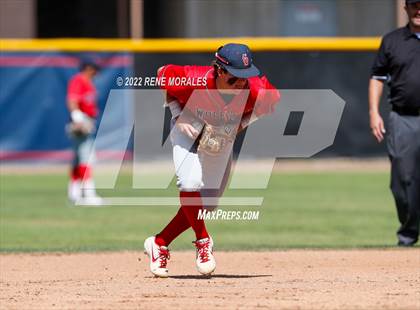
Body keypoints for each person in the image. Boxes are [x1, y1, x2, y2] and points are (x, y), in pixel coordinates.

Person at [144, 43, 280, 277]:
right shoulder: (192, 78)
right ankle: (203, 242)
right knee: (190, 183)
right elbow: (161, 73)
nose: (240, 83)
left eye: (244, 77)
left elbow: (268, 105)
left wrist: (239, 125)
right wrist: (178, 115)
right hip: (187, 125)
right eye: (234, 77)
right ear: (219, 70)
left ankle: (159, 242)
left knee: (206, 205)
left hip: (220, 134)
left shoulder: (256, 89)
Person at [369, 0, 420, 246]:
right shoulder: (392, 41)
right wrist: (373, 112)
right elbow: (377, 77)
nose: (418, 9)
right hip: (403, 116)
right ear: (406, 8)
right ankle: (409, 232)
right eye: (414, 5)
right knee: (402, 180)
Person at [66, 60, 103, 205]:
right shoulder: (79, 80)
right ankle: (88, 194)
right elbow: (72, 100)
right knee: (86, 159)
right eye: (94, 69)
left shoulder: (88, 83)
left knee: (77, 159)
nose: (96, 73)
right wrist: (77, 117)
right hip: (81, 121)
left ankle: (74, 193)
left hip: (86, 119)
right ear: (88, 68)